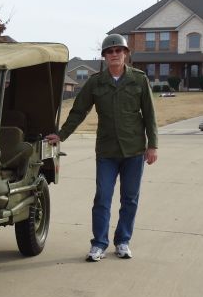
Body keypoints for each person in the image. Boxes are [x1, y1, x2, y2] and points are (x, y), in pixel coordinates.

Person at [46, 34, 158, 262]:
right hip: (107, 151)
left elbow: (149, 114)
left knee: (130, 199)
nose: (114, 54)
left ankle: (123, 241)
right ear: (105, 56)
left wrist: (153, 145)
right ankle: (99, 244)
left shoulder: (139, 79)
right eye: (110, 51)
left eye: (118, 50)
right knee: (102, 198)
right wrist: (61, 135)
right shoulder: (96, 82)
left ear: (125, 54)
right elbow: (79, 111)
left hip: (134, 150)